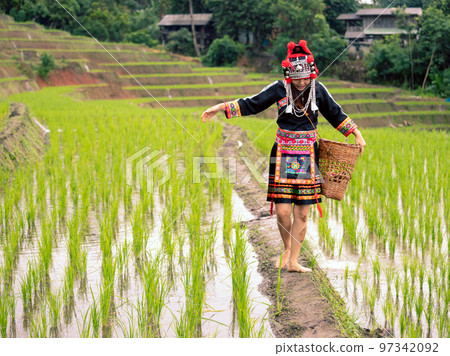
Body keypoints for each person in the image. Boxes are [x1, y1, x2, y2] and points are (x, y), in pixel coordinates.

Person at [201, 40, 366, 273]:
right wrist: (219, 107)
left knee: (303, 212)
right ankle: (288, 248)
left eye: (305, 77)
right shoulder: (279, 89)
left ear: (312, 73)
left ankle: (294, 262)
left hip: (308, 155)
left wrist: (356, 133)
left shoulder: (318, 90)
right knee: (282, 211)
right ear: (289, 76)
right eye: (296, 78)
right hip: (283, 153)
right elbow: (252, 104)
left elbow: (335, 113)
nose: (301, 82)